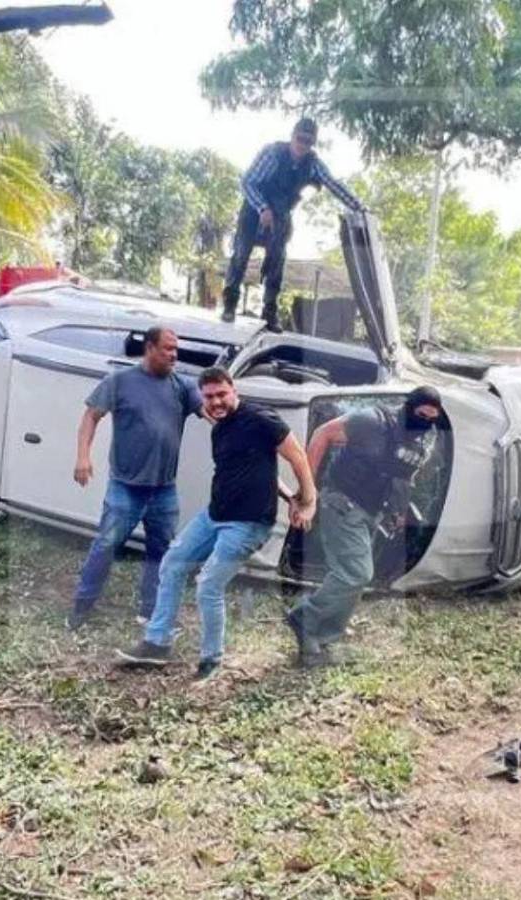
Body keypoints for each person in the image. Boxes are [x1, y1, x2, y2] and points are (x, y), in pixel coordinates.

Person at [117, 367, 317, 681]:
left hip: (248, 523)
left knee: (209, 585)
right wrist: (287, 494)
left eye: (221, 394)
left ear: (233, 389)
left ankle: (211, 660)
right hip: (215, 515)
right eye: (209, 397)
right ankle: (157, 643)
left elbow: (298, 457)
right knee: (172, 563)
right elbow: (258, 469)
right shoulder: (220, 428)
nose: (216, 402)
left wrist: (307, 500)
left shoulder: (262, 419)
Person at [285, 387, 444, 668]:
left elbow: (404, 476)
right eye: (421, 415)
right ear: (409, 408)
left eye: (432, 418)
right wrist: (307, 491)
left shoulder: (420, 440)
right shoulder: (372, 421)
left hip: (372, 511)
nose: (426, 423)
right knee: (356, 574)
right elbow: (323, 434)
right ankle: (304, 618)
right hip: (342, 502)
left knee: (353, 576)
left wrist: (399, 511)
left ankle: (324, 636)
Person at [67, 326, 205, 630]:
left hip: (164, 490)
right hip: (125, 488)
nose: (174, 355)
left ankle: (149, 610)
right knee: (105, 546)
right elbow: (91, 415)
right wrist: (82, 456)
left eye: (176, 349)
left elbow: (208, 409)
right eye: (167, 348)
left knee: (161, 552)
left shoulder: (182, 386)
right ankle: (81, 608)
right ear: (150, 348)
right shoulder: (120, 382)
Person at [221, 117, 366, 332]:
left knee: (277, 261)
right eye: (300, 139)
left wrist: (358, 207)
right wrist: (262, 208)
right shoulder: (273, 154)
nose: (303, 146)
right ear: (292, 136)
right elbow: (246, 182)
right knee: (241, 255)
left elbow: (333, 184)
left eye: (309, 142)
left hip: (281, 214)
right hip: (254, 209)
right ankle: (230, 305)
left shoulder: (313, 164)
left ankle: (269, 312)